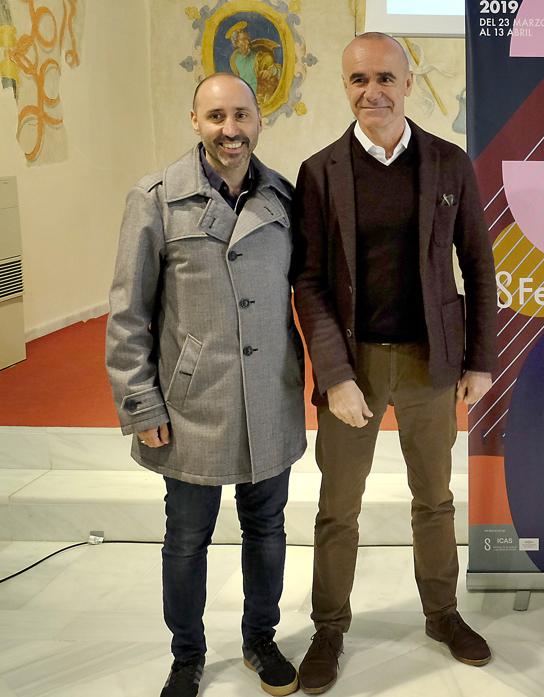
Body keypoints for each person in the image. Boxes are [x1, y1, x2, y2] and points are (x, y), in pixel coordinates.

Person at [292, 32, 497, 693]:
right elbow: (310, 282)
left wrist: (479, 358)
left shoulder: (449, 164)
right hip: (353, 366)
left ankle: (443, 613)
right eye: (358, 80)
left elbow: (479, 266)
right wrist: (335, 375)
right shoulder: (320, 172)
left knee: (434, 499)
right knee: (337, 507)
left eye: (385, 77)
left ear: (409, 83)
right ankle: (329, 626)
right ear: (345, 88)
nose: (371, 91)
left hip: (429, 364)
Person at [104, 72, 305, 697]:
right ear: (195, 120)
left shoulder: (283, 198)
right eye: (217, 117)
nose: (231, 130)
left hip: (269, 395)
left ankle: (260, 639)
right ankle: (186, 655)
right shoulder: (156, 197)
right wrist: (141, 402)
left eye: (241, 116)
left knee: (267, 530)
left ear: (259, 121)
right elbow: (129, 311)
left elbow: (310, 292)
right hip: (191, 403)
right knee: (187, 537)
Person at [226, 21, 280, 105]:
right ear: (236, 43)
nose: (247, 42)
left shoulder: (259, 57)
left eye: (247, 39)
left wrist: (270, 71)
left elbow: (278, 69)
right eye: (243, 40)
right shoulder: (235, 59)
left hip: (260, 100)